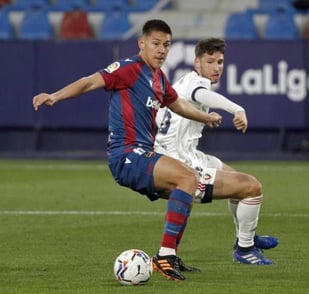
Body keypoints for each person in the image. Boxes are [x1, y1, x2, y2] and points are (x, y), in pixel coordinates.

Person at [32, 19, 222, 282]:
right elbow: (88, 82)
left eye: (166, 45)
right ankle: (165, 257)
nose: (161, 50)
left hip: (143, 153)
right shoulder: (128, 68)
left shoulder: (158, 78)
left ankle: (170, 256)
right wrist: (54, 96)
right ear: (141, 43)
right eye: (156, 44)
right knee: (188, 177)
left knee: (188, 184)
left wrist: (206, 117)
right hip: (126, 155)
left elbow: (177, 104)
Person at [155, 38, 278, 266]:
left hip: (188, 155)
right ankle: (245, 248)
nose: (216, 67)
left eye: (220, 62)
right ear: (196, 62)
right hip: (180, 166)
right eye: (210, 61)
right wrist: (237, 108)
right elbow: (201, 95)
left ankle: (246, 235)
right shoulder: (195, 84)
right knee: (252, 187)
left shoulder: (185, 83)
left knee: (235, 178)